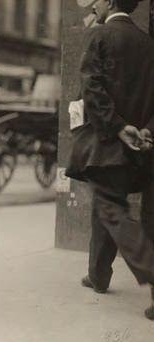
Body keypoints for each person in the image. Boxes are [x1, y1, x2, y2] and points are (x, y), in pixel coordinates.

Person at [66, 0, 154, 320]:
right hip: (144, 146)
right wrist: (145, 130)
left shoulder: (99, 35)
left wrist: (117, 128)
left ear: (110, 2)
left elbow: (92, 89)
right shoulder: (148, 43)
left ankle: (104, 275)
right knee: (129, 213)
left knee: (110, 211)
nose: (93, 5)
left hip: (109, 145)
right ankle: (98, 275)